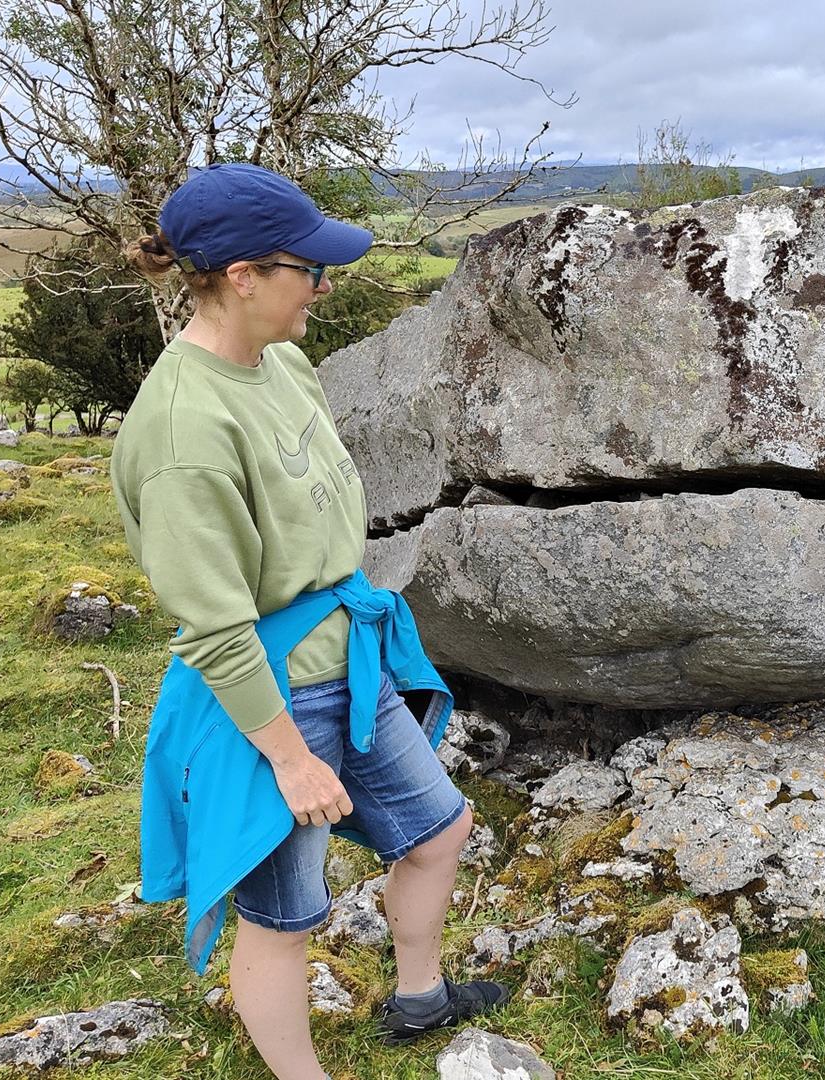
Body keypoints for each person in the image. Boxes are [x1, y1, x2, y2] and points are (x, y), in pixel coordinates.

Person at [111, 163, 505, 1080]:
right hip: (268, 699)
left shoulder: (282, 362)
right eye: (309, 268)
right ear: (243, 275)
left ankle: (420, 998)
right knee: (285, 918)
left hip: (350, 665)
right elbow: (215, 629)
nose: (326, 285)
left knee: (439, 831)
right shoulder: (181, 436)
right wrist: (290, 757)